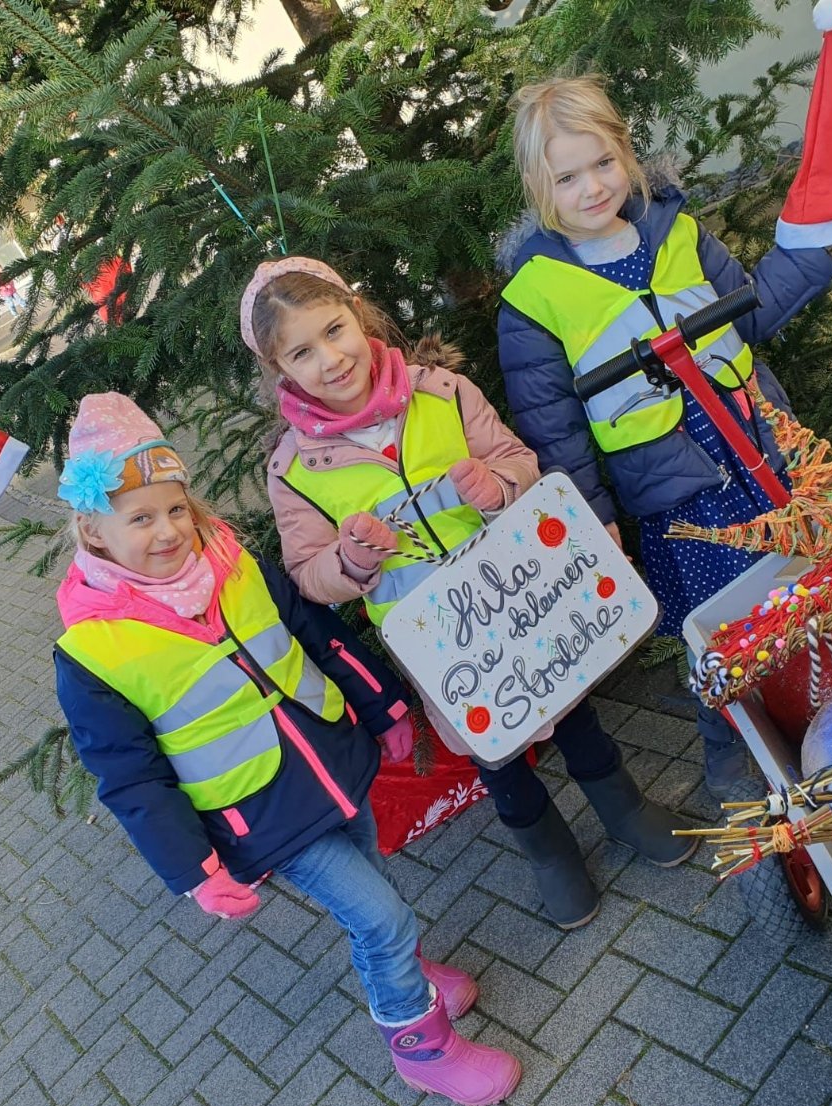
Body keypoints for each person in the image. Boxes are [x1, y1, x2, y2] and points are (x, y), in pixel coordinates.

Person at [52, 391, 520, 1106]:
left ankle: (406, 972)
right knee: (380, 916)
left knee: (376, 898)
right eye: (139, 518)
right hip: (262, 815)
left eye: (175, 508)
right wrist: (192, 870)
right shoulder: (91, 650)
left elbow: (313, 631)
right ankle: (421, 1045)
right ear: (94, 531)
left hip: (334, 758)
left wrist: (384, 704)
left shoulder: (232, 561)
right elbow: (130, 779)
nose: (168, 530)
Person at [242, 256, 694, 932]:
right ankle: (550, 855)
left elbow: (518, 460)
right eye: (302, 353)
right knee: (495, 751)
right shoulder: (294, 470)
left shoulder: (442, 393)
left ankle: (625, 811)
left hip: (520, 605)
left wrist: (498, 484)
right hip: (443, 645)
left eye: (335, 331)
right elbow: (307, 572)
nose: (330, 359)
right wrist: (350, 559)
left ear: (359, 317)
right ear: (280, 371)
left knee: (571, 713)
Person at [496, 76, 832, 803]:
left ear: (625, 154)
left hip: (758, 451)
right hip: (683, 492)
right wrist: (594, 527)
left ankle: (829, 704)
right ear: (538, 186)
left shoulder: (677, 231)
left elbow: (747, 315)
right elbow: (553, 432)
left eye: (603, 164)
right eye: (567, 176)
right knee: (720, 625)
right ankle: (730, 747)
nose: (592, 188)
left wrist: (807, 252)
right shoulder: (535, 298)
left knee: (804, 577)